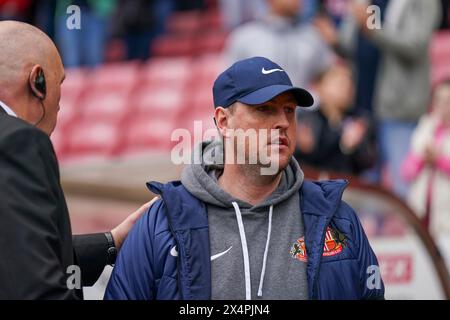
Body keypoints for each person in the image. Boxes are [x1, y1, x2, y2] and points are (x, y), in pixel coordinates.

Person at [104, 56, 384, 300]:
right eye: (264, 109)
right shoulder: (162, 224)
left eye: (289, 110)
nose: (283, 122)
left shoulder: (338, 219)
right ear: (224, 122)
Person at [0, 21, 153, 299]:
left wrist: (112, 242)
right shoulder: (18, 142)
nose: (60, 101)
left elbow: (13, 253)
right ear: (38, 82)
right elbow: (36, 289)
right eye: (59, 82)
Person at [338, 0, 441, 197]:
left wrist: (374, 31)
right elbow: (349, 43)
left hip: (398, 109)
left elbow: (416, 45)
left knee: (402, 188)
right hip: (361, 106)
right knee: (362, 190)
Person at [224, 0, 334, 89]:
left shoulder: (312, 35)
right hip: (259, 111)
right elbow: (229, 84)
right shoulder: (244, 37)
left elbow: (328, 77)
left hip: (302, 112)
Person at [295, 62, 375, 175]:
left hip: (350, 187)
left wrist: (350, 148)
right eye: (339, 83)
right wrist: (303, 149)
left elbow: (368, 162)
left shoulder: (360, 121)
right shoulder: (307, 118)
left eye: (350, 83)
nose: (346, 88)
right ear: (319, 87)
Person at [402, 79, 450, 238]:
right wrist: (422, 158)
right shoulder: (425, 127)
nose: (443, 106)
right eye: (439, 100)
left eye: (448, 101)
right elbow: (406, 171)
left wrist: (439, 160)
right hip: (421, 213)